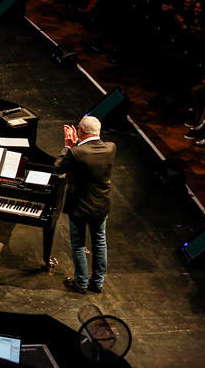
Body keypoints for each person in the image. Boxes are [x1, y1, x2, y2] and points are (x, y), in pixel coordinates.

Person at [55, 115, 115, 294]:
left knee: (78, 243)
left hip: (79, 207)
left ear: (81, 131)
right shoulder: (111, 148)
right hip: (100, 205)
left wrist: (68, 146)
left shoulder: (76, 153)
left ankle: (81, 283)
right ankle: (97, 283)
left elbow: (58, 167)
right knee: (100, 242)